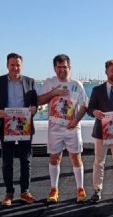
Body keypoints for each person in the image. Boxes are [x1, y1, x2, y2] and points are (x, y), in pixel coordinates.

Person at [38, 54, 88, 203]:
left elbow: (85, 106)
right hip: (54, 128)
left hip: (72, 128)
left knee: (75, 157)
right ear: (55, 68)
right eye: (59, 67)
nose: (62, 70)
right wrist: (54, 92)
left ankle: (80, 189)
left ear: (69, 67)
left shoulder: (77, 84)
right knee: (54, 158)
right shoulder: (49, 83)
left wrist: (76, 119)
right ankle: (54, 189)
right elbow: (39, 100)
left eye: (65, 67)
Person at [0, 52, 38, 207]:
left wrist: (34, 110)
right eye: (12, 65)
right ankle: (9, 192)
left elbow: (35, 104)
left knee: (26, 160)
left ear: (21, 66)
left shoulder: (30, 81)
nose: (15, 68)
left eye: (18, 65)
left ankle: (25, 191)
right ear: (7, 65)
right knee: (7, 162)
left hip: (25, 127)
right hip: (6, 126)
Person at [87, 59, 113, 203]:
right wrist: (95, 112)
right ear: (106, 72)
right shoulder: (97, 90)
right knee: (99, 162)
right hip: (101, 133)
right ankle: (97, 190)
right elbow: (89, 108)